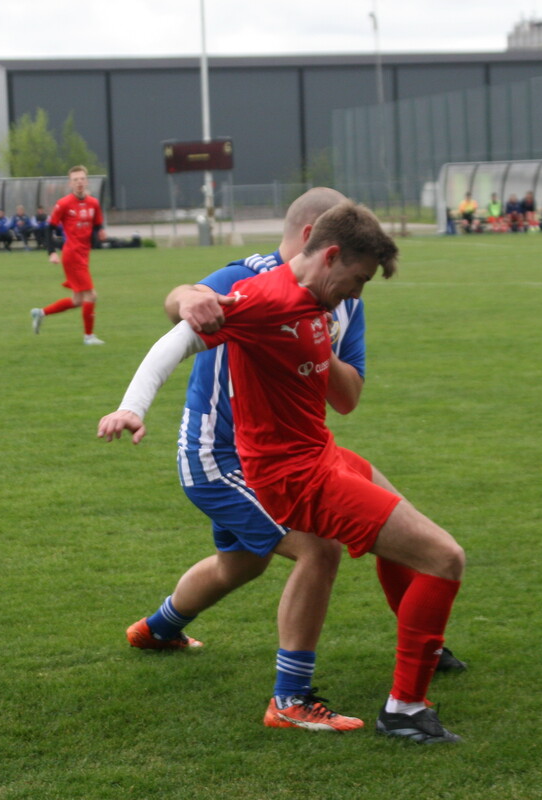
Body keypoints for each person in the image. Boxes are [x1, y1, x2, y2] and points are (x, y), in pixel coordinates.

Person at [99, 201, 466, 744]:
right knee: (419, 554)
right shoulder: (261, 293)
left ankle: (157, 630)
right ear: (328, 251)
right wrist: (133, 405)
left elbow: (345, 396)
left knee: (247, 562)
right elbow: (177, 334)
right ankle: (362, 705)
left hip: (320, 453)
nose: (358, 293)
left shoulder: (321, 300)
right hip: (274, 470)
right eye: (359, 279)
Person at [30, 166, 107, 345]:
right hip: (72, 255)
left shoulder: (93, 203)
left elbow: (97, 224)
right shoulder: (64, 203)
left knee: (78, 300)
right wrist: (51, 252)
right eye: (75, 180)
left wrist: (100, 231)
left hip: (84, 255)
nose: (79, 182)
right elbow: (49, 228)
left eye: (82, 179)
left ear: (87, 181)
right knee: (91, 295)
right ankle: (89, 337)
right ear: (70, 183)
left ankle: (40, 313)